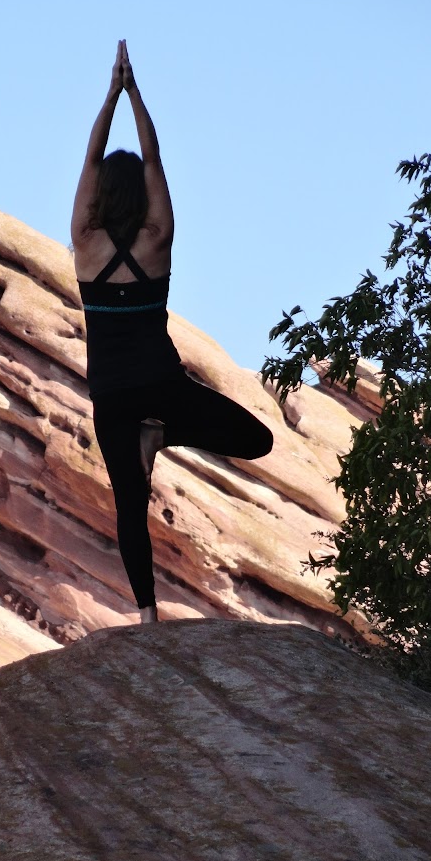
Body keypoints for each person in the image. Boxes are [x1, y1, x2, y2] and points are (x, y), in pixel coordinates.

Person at [72, 40, 273, 624]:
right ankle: (164, 435)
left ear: (103, 196)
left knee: (128, 504)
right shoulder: (158, 240)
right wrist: (136, 95)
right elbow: (154, 161)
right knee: (255, 440)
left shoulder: (85, 244)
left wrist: (110, 94)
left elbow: (89, 163)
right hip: (161, 386)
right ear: (140, 195)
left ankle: (146, 617)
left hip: (110, 394)